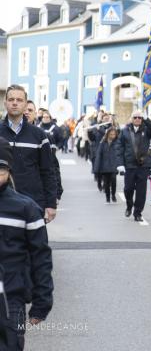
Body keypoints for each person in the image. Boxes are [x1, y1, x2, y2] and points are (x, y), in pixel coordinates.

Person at [0, 137, 54, 351]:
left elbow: (41, 256)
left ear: (8, 172)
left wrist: (42, 302)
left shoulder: (25, 208)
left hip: (12, 299)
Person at [0, 85, 57, 223]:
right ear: (5, 102)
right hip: (2, 204)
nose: (15, 103)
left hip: (32, 202)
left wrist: (51, 204)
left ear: (25, 104)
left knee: (35, 243)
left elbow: (48, 171)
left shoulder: (39, 135)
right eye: (11, 99)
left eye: (19, 100)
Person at [115, 110, 151, 222]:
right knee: (128, 188)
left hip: (143, 165)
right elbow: (119, 148)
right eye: (135, 117)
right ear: (131, 119)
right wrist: (120, 164)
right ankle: (129, 205)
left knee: (141, 191)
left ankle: (138, 212)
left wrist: (147, 119)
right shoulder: (124, 131)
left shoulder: (146, 130)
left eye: (140, 117)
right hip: (129, 165)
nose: (138, 119)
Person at [94, 127, 120, 203]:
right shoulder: (102, 143)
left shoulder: (117, 143)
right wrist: (97, 167)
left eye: (114, 134)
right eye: (111, 134)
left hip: (114, 165)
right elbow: (99, 155)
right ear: (107, 134)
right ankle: (108, 197)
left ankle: (113, 195)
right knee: (106, 183)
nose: (113, 136)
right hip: (104, 166)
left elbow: (120, 154)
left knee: (113, 181)